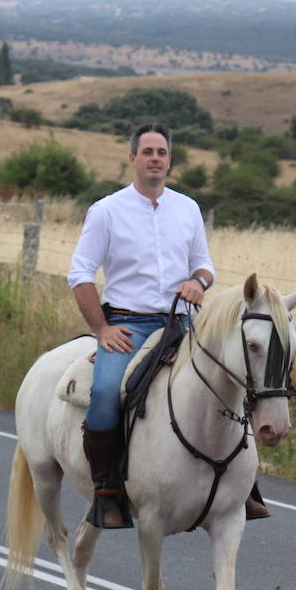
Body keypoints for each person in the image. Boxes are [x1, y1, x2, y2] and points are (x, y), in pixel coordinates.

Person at [68, 123, 217, 530]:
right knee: (103, 393)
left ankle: (241, 485)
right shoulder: (107, 211)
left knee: (231, 379)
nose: (155, 158)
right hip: (127, 324)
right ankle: (107, 489)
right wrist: (101, 329)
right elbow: (79, 274)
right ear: (132, 158)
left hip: (180, 322)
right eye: (147, 151)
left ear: (170, 160)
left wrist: (197, 281)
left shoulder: (188, 209)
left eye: (162, 152)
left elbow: (205, 264)